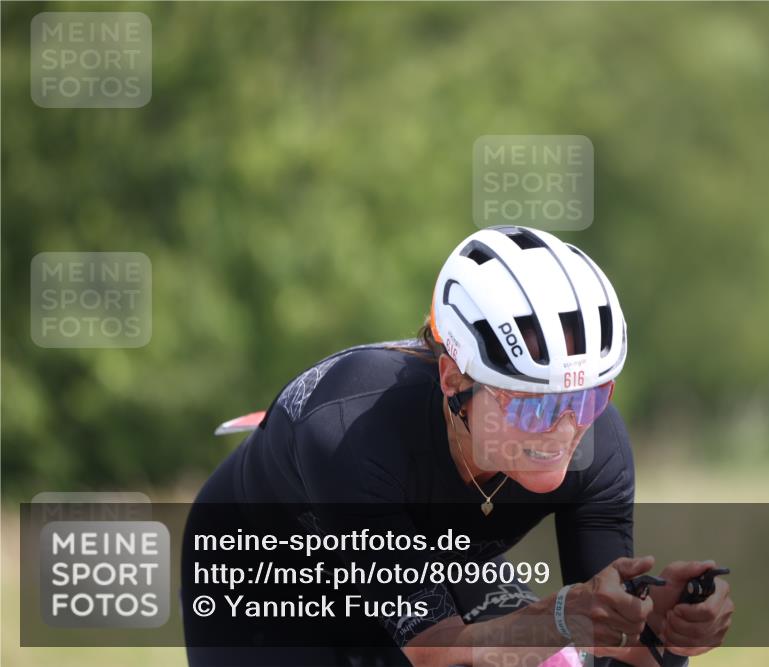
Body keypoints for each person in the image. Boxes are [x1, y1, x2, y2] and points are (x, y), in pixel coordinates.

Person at [181, 225, 733, 667]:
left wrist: (665, 631)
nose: (563, 428)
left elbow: (613, 638)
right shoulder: (352, 428)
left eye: (590, 398)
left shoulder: (600, 443)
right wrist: (563, 617)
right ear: (453, 381)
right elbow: (436, 651)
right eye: (531, 403)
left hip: (428, 561)